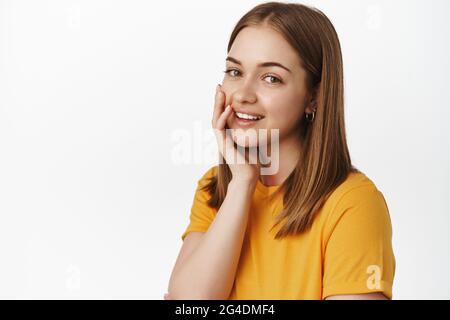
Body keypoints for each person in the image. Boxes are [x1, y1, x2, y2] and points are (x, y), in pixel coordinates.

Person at [166, 1, 395, 300]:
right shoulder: (216, 188)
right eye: (235, 71)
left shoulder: (353, 204)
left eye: (271, 78)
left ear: (314, 96)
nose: (243, 95)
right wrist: (243, 184)